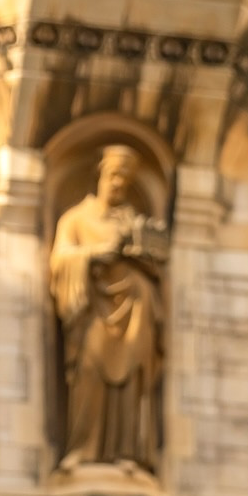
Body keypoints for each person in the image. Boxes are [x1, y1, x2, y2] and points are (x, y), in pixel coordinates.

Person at [48, 144, 166, 475]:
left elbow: (158, 267)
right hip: (94, 308)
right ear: (100, 175)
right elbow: (60, 259)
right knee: (89, 371)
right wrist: (96, 254)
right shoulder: (76, 218)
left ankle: (128, 451)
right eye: (114, 175)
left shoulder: (132, 221)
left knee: (132, 378)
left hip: (136, 306)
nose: (118, 184)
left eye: (125, 180)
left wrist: (140, 253)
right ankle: (82, 448)